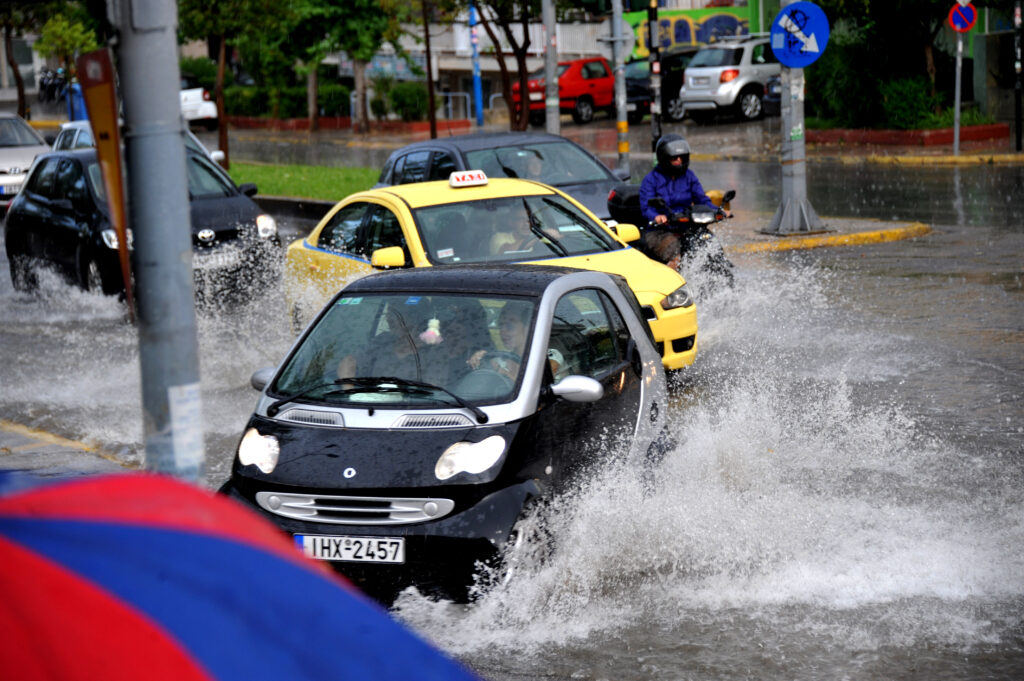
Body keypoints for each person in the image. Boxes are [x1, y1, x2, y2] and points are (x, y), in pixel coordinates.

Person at [638, 134, 719, 269]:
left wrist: (718, 210)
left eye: (682, 157)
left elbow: (702, 199)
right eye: (674, 158)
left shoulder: (689, 176)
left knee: (710, 244)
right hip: (659, 231)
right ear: (664, 158)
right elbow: (646, 207)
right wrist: (657, 216)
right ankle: (673, 287)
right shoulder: (651, 180)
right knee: (674, 252)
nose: (679, 161)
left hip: (687, 227)